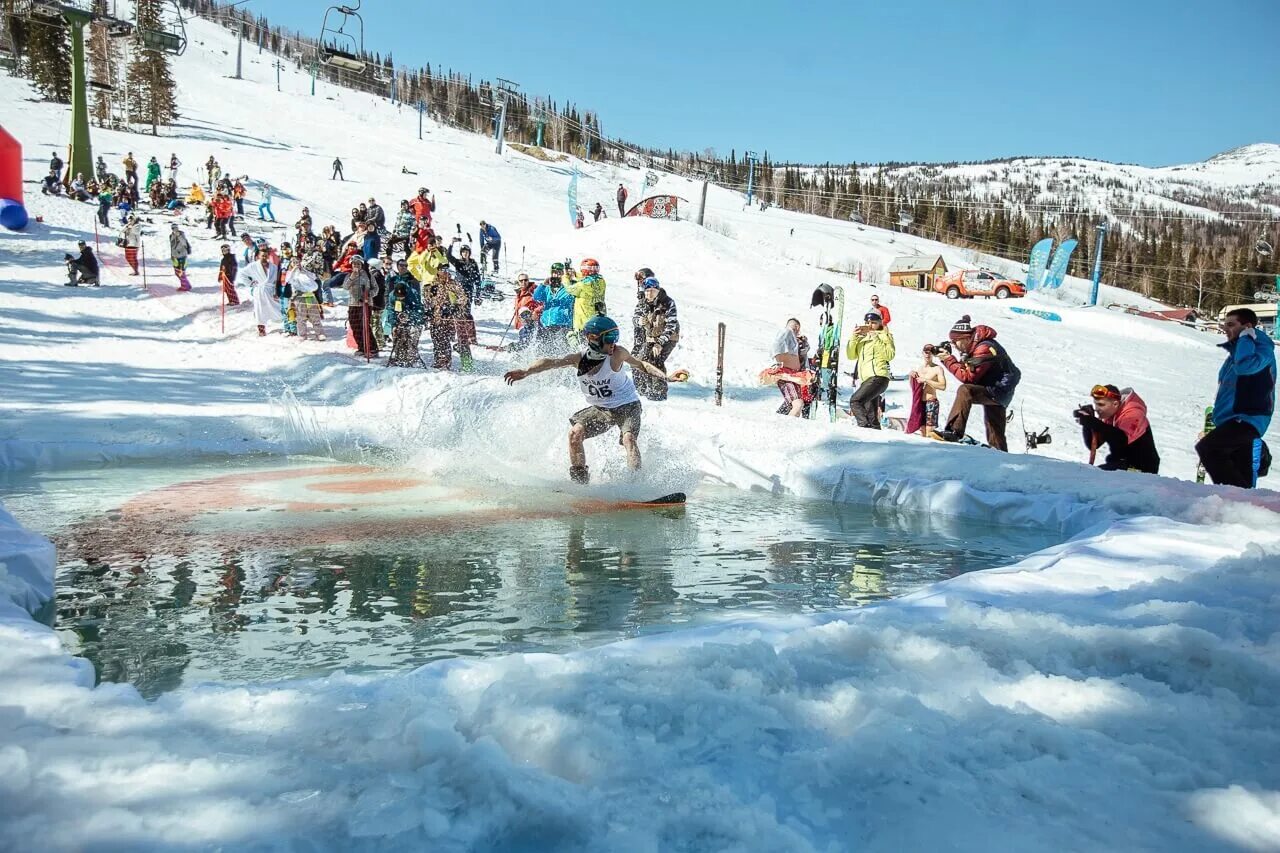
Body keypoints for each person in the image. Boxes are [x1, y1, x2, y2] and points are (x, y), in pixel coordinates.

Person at [503, 315, 679, 484]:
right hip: (601, 409)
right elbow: (550, 362)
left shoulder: (617, 354)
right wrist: (527, 371)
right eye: (610, 337)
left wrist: (666, 377)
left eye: (615, 337)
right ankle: (580, 483)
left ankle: (635, 485)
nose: (613, 343)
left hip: (627, 405)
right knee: (574, 433)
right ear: (593, 338)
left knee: (629, 439)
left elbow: (642, 365)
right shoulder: (579, 359)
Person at [1195, 307, 1275, 488]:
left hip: (1247, 418)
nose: (1226, 329)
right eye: (1224, 325)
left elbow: (1246, 368)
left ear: (1247, 326)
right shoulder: (1239, 351)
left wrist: (1247, 337)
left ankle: (1235, 501)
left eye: (1231, 324)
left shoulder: (1261, 348)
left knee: (1208, 448)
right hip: (1230, 419)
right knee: (1241, 478)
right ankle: (1241, 509)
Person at [934, 315, 1021, 451]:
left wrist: (948, 360)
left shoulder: (984, 348)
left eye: (955, 341)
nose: (954, 345)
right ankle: (1001, 455)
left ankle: (954, 431)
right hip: (998, 388)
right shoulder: (978, 346)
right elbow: (970, 369)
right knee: (995, 429)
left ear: (965, 338)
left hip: (997, 389)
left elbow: (968, 377)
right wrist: (952, 358)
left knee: (965, 390)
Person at [1074, 384, 1160, 474]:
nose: (1097, 409)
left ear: (1115, 404)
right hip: (1123, 463)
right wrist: (1088, 422)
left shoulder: (1133, 414)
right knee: (1092, 475)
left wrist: (1094, 423)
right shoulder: (1110, 414)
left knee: (1095, 476)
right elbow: (1094, 444)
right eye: (1096, 404)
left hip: (1142, 469)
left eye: (1101, 405)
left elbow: (1121, 440)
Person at [845, 312, 896, 428]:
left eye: (874, 323)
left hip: (879, 376)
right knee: (871, 415)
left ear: (880, 323)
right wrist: (854, 337)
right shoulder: (862, 338)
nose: (870, 325)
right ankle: (873, 433)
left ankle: (863, 427)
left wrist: (876, 338)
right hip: (867, 379)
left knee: (855, 401)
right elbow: (851, 355)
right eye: (867, 322)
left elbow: (889, 355)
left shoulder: (885, 336)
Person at [632, 276, 680, 401]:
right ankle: (643, 390)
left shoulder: (668, 303)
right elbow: (635, 318)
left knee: (655, 359)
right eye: (647, 290)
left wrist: (659, 343)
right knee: (640, 360)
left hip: (668, 337)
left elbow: (671, 325)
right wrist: (639, 321)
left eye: (653, 290)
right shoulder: (642, 303)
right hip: (651, 337)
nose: (649, 293)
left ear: (658, 290)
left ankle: (659, 393)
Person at [383, 260, 427, 368]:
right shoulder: (392, 295)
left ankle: (411, 358)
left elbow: (419, 310)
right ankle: (399, 357)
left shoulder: (413, 292)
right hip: (399, 319)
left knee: (412, 335)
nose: (401, 298)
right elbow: (391, 310)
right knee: (398, 335)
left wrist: (409, 316)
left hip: (413, 321)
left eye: (402, 297)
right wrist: (394, 323)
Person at [424, 267, 465, 369]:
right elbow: (427, 298)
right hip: (435, 316)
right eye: (442, 270)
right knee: (435, 338)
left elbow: (463, 297)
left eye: (446, 271)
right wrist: (428, 309)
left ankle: (446, 360)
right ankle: (438, 358)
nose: (444, 273)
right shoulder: (433, 284)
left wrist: (454, 306)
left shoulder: (453, 284)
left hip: (448, 317)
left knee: (444, 339)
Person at [532, 263, 576, 353]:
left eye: (559, 273)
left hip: (562, 324)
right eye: (554, 273)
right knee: (544, 350)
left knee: (561, 349)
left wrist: (568, 281)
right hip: (547, 323)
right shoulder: (547, 288)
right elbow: (536, 297)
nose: (557, 275)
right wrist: (543, 285)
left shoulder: (568, 287)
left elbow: (572, 298)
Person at [238, 244, 279, 337]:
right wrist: (250, 283)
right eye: (262, 255)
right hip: (259, 291)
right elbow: (242, 274)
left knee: (276, 307)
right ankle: (261, 329)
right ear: (258, 256)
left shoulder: (273, 267)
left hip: (270, 290)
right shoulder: (253, 266)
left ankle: (285, 323)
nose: (264, 257)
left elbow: (277, 280)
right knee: (260, 310)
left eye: (266, 255)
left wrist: (277, 291)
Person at [345, 256, 380, 358]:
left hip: (366, 303)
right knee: (355, 325)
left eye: (358, 264)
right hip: (353, 303)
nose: (356, 266)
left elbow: (376, 288)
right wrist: (352, 276)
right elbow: (345, 286)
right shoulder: (349, 275)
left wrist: (369, 294)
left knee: (365, 325)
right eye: (354, 264)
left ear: (362, 265)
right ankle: (361, 347)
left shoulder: (368, 275)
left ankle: (372, 348)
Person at [771, 318, 806, 417]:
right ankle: (788, 428)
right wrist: (777, 362)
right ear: (797, 327)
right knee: (798, 404)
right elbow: (776, 345)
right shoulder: (787, 332)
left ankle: (776, 420)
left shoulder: (792, 337)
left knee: (791, 405)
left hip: (792, 375)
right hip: (786, 375)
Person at [910, 345, 947, 438]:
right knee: (922, 431)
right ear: (923, 353)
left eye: (930, 353)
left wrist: (926, 380)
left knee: (929, 432)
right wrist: (911, 378)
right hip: (920, 403)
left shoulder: (937, 369)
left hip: (931, 402)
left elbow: (943, 386)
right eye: (926, 352)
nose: (928, 355)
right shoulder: (920, 368)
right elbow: (914, 388)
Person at [566, 258, 607, 336]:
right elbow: (588, 278)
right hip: (598, 321)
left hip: (583, 323)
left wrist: (565, 278)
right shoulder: (601, 281)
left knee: (572, 339)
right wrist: (575, 274)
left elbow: (569, 289)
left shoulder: (582, 285)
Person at [288, 260, 323, 340]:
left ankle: (319, 333)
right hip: (299, 297)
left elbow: (314, 277)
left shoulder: (305, 272)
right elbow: (289, 280)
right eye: (294, 262)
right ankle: (302, 334)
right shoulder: (291, 274)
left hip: (310, 296)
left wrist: (304, 270)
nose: (296, 264)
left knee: (315, 316)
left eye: (297, 262)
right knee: (301, 317)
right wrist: (294, 270)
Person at [511, 273, 542, 351]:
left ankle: (524, 353)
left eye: (525, 280)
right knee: (524, 339)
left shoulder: (533, 292)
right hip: (523, 322)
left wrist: (535, 312)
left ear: (528, 281)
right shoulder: (520, 293)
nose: (523, 282)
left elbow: (542, 304)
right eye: (521, 281)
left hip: (531, 322)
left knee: (527, 341)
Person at [169, 223, 192, 291]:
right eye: (173, 228)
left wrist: (178, 236)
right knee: (176, 272)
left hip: (182, 255)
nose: (174, 229)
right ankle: (186, 285)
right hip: (175, 256)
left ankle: (185, 286)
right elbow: (172, 246)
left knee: (181, 272)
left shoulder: (181, 234)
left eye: (176, 228)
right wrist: (172, 255)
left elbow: (184, 243)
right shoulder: (171, 236)